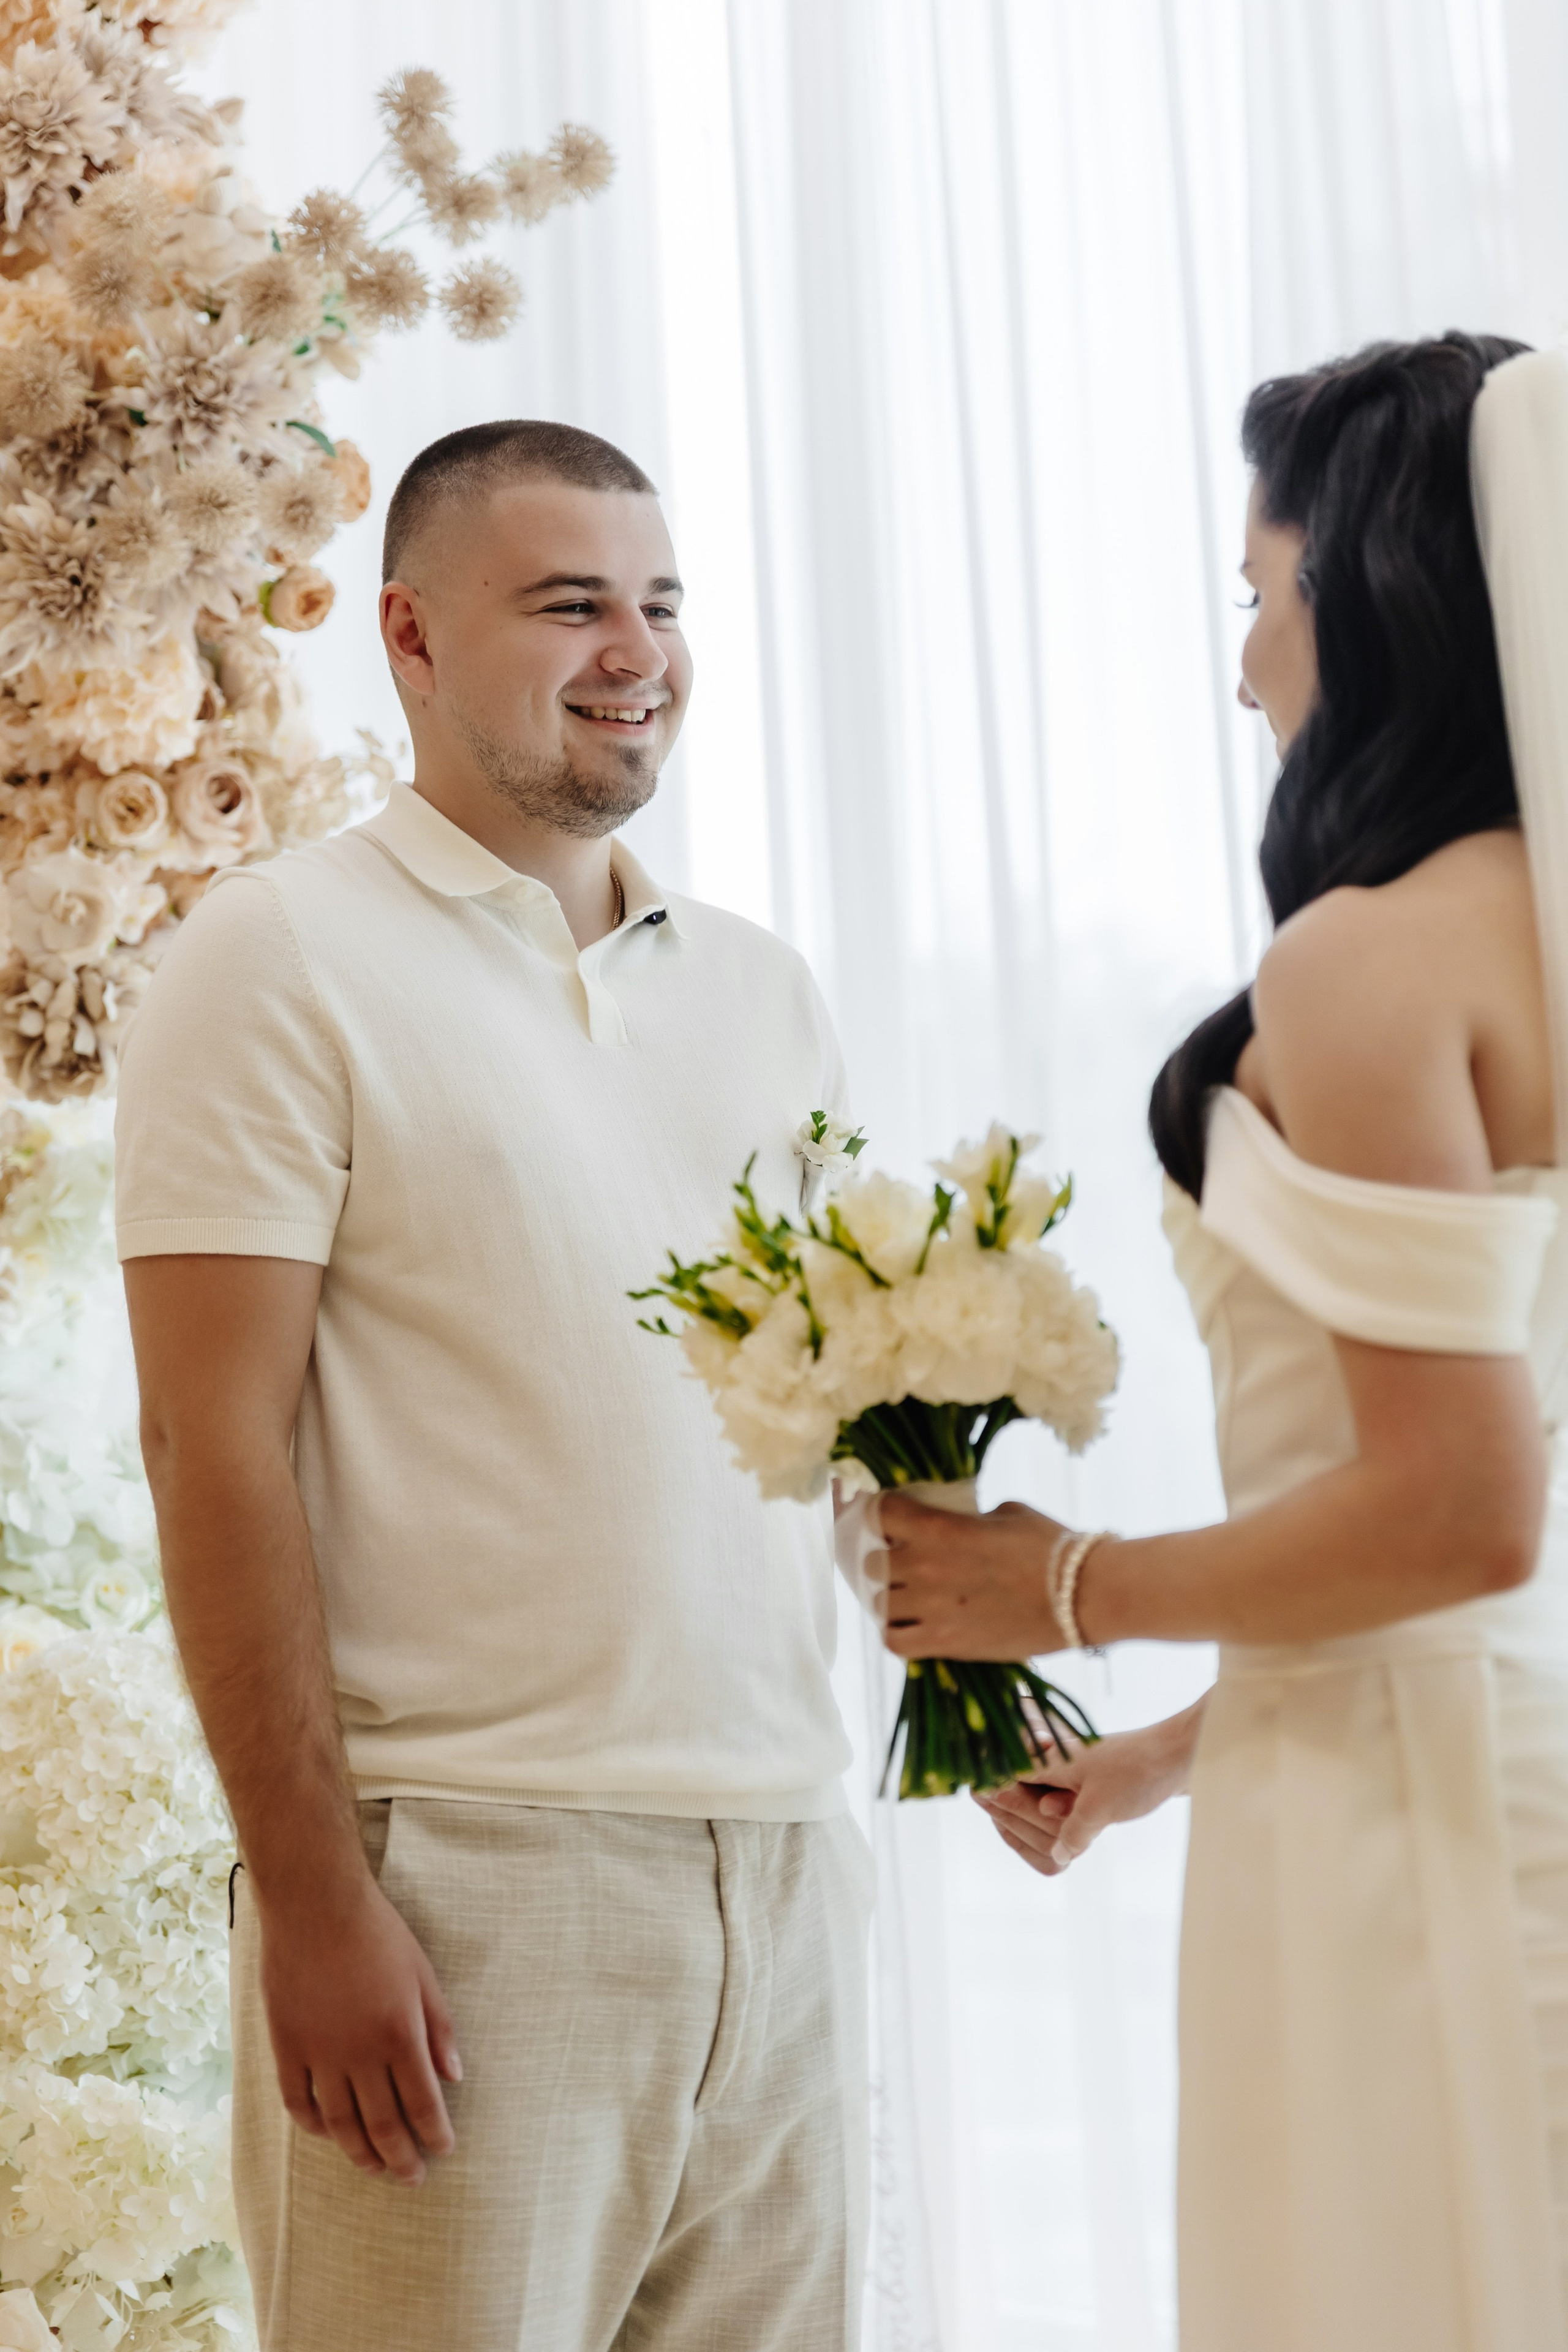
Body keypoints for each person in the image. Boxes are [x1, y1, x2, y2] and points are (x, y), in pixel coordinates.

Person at [115, 420, 872, 2352]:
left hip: (785, 1870)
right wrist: (309, 1902)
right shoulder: (272, 958)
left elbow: (831, 1409)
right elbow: (213, 1448)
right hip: (465, 1882)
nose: (638, 649)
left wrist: (986, 1671)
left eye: (662, 602)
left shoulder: (764, 989)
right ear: (412, 641)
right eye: (569, 603)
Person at [865, 336, 1568, 2348]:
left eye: (1258, 598)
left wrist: (1059, 1588)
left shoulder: (1370, 959)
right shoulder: (1538, 927)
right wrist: (1183, 1751)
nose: (1246, 661)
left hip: (1409, 1833)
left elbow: (1461, 1516)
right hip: (1450, 1762)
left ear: (1376, 599)